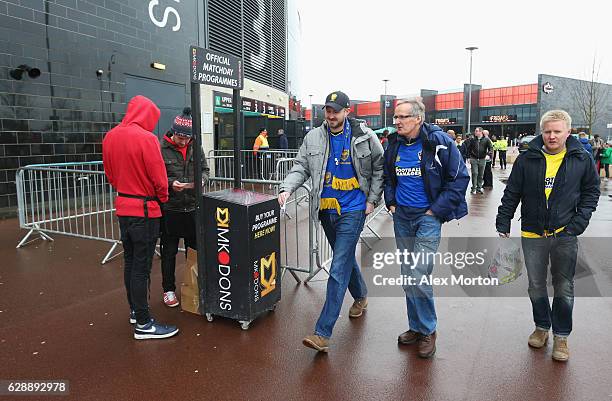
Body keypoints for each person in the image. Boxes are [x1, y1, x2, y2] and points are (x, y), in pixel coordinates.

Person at [277, 90, 384, 353]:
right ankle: (361, 296)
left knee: (337, 267)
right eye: (328, 109)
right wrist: (286, 188)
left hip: (355, 208)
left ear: (347, 111)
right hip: (326, 208)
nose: (331, 115)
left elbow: (379, 167)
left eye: (336, 110)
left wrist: (372, 200)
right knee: (342, 257)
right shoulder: (313, 136)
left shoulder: (365, 136)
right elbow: (300, 166)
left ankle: (322, 333)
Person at [496, 110, 600, 362]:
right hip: (532, 232)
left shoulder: (580, 158)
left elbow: (591, 192)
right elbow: (512, 191)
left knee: (564, 285)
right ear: (541, 132)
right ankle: (542, 327)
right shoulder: (527, 158)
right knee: (536, 285)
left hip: (565, 232)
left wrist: (578, 223)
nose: (552, 136)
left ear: (568, 132)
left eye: (557, 131)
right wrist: (504, 218)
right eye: (547, 131)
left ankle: (561, 336)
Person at [383, 98, 469, 358]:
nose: (396, 121)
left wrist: (435, 211)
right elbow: (388, 176)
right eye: (395, 117)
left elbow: (459, 178)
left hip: (427, 218)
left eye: (402, 117)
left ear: (417, 118)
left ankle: (429, 330)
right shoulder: (394, 144)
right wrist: (391, 201)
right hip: (402, 217)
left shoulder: (440, 142)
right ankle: (416, 327)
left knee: (419, 273)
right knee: (408, 274)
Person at [102, 95, 179, 340]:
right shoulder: (147, 139)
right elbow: (159, 178)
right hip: (145, 211)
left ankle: (136, 311)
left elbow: (110, 175)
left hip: (123, 207)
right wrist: (163, 197)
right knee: (142, 267)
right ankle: (144, 324)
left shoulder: (110, 136)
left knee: (130, 262)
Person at [160, 107, 210, 308]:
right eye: (180, 137)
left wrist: (202, 181)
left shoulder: (195, 146)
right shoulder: (161, 148)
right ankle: (168, 289)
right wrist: (171, 183)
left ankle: (195, 285)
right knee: (169, 252)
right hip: (171, 208)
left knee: (195, 250)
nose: (183, 142)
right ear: (173, 132)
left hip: (192, 207)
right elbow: (157, 176)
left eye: (186, 138)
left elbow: (205, 170)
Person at [465, 127, 493, 194]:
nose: (475, 132)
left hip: (482, 159)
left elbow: (491, 148)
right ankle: (473, 188)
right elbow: (468, 149)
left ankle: (479, 188)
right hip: (473, 158)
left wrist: (488, 155)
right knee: (475, 173)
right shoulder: (472, 140)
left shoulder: (486, 140)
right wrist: (468, 157)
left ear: (481, 132)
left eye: (476, 131)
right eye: (475, 131)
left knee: (481, 174)